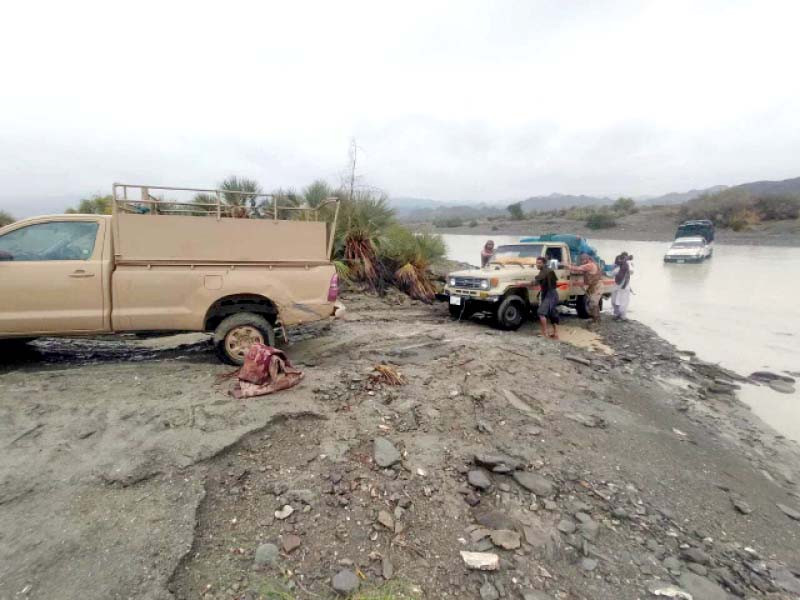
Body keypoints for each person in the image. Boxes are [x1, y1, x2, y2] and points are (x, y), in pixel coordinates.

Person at [569, 252, 602, 324]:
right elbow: (589, 278)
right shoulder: (590, 265)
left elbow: (577, 268)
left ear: (587, 259)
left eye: (582, 260)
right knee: (590, 303)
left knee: (593, 303)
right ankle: (595, 318)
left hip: (597, 286)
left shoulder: (590, 265)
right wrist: (582, 283)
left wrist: (567, 265)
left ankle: (597, 320)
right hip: (592, 285)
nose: (581, 262)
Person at [534, 256, 560, 339]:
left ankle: (544, 333)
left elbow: (535, 282)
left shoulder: (544, 271)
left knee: (541, 312)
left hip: (550, 294)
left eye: (539, 263)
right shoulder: (548, 270)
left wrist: (521, 284)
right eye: (537, 263)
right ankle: (555, 334)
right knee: (553, 314)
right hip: (553, 293)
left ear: (544, 263)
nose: (537, 264)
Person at [611, 252, 633, 320]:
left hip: (623, 287)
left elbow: (612, 273)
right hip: (620, 287)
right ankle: (619, 315)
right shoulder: (619, 267)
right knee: (617, 301)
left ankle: (620, 316)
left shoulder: (626, 265)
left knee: (620, 302)